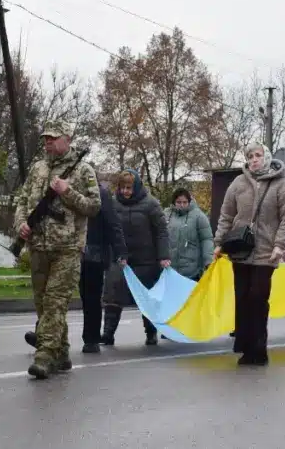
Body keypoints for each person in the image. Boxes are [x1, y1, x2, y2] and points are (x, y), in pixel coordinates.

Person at [13, 120, 101, 380]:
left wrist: (68, 191)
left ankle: (44, 356)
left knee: (54, 303)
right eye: (45, 139)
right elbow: (22, 199)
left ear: (67, 138)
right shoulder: (38, 169)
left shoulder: (83, 170)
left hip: (68, 248)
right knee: (43, 304)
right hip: (38, 246)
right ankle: (61, 352)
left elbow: (94, 207)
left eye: (53, 138)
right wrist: (20, 224)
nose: (47, 142)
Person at [26, 174, 127, 354]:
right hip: (63, 250)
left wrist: (120, 252)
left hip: (92, 254)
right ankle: (43, 334)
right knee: (52, 296)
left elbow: (113, 224)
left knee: (91, 298)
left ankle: (91, 338)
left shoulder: (101, 195)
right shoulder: (61, 192)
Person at [215, 144, 285, 366]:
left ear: (267, 157)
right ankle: (245, 347)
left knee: (258, 298)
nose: (254, 160)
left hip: (266, 253)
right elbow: (226, 214)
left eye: (258, 155)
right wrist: (219, 242)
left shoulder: (281, 185)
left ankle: (259, 349)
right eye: (250, 156)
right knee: (242, 298)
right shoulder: (238, 183)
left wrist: (280, 245)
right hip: (241, 251)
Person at [102, 169, 170, 346]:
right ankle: (108, 333)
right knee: (112, 293)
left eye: (129, 188)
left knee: (147, 298)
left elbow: (162, 231)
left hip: (146, 259)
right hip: (120, 258)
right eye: (122, 187)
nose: (125, 191)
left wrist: (163, 256)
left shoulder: (151, 204)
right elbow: (106, 228)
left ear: (137, 187)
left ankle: (151, 333)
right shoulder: (112, 203)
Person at [166, 188, 213, 281]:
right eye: (179, 202)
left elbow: (206, 239)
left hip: (192, 271)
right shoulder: (166, 215)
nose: (182, 205)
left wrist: (208, 261)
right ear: (174, 202)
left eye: (185, 202)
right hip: (170, 269)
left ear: (189, 202)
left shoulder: (199, 216)